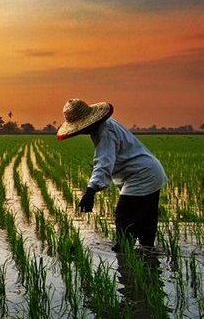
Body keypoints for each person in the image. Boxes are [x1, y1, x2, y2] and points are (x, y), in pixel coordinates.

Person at [57, 99, 167, 251]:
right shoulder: (105, 126)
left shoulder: (105, 132)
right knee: (146, 222)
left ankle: (125, 260)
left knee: (124, 218)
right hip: (151, 172)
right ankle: (149, 261)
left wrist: (90, 190)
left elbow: (104, 163)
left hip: (142, 176)